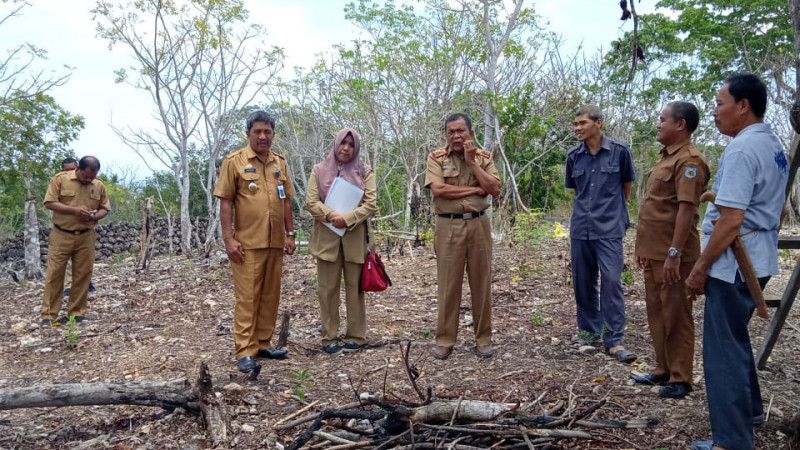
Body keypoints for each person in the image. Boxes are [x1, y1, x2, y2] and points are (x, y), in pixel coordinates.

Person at [686, 73, 787, 450]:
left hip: (733, 264)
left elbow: (730, 219)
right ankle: (752, 411)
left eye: (719, 103)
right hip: (758, 258)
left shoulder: (743, 150)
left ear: (743, 106)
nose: (714, 111)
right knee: (734, 338)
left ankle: (731, 440)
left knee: (722, 351)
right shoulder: (770, 143)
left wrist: (699, 269)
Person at [632, 102, 709, 399]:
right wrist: (642, 248)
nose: (657, 124)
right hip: (654, 252)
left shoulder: (690, 161)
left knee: (677, 314)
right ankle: (662, 369)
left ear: (681, 124)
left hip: (674, 255)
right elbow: (654, 208)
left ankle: (681, 377)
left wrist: (675, 252)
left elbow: (686, 209)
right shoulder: (664, 158)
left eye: (662, 119)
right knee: (656, 311)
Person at [213, 110, 297, 374]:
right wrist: (228, 239)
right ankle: (245, 351)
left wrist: (291, 233)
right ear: (248, 133)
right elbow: (226, 202)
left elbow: (285, 200)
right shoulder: (234, 161)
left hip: (275, 242)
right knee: (248, 297)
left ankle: (262, 344)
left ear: (273, 134)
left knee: (270, 296)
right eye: (257, 131)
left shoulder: (279, 163)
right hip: (247, 243)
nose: (263, 136)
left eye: (267, 132)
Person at [424, 113, 501, 360]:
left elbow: (495, 189)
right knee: (448, 285)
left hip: (479, 224)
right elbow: (439, 190)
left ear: (471, 132)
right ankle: (445, 340)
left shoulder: (483, 158)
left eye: (460, 131)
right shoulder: (436, 157)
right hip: (448, 226)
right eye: (451, 131)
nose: (456, 136)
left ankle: (483, 339)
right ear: (445, 134)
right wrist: (475, 190)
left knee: (482, 283)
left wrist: (473, 164)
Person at [565, 105, 637, 363]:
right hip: (581, 228)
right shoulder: (573, 156)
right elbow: (576, 190)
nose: (577, 128)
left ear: (599, 123)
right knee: (583, 283)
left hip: (609, 229)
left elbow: (625, 187)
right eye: (576, 124)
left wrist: (611, 213)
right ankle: (588, 334)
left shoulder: (620, 152)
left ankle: (614, 339)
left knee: (611, 282)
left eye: (582, 123)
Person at [305, 128, 378, 354]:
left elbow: (370, 203)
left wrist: (347, 218)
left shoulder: (365, 171)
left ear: (356, 147)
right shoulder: (318, 170)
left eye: (350, 144)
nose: (345, 148)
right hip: (326, 238)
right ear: (335, 144)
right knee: (327, 290)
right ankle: (329, 337)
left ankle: (356, 336)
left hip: (355, 237)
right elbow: (311, 201)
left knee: (355, 288)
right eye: (342, 143)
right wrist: (330, 215)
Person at [40, 156, 111, 326]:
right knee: (55, 274)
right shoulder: (60, 179)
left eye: (92, 177)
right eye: (86, 176)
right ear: (78, 168)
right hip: (61, 234)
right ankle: (49, 316)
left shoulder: (99, 185)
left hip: (86, 235)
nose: (88, 179)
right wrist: (74, 211)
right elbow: (49, 203)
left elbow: (105, 208)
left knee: (83, 274)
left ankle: (77, 314)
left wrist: (95, 215)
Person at [59, 157, 96, 297]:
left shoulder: (88, 183)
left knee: (85, 257)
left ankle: (86, 281)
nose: (69, 172)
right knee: (68, 257)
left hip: (85, 226)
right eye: (66, 170)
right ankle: (69, 285)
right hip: (65, 228)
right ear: (62, 170)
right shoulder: (58, 183)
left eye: (72, 169)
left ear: (78, 168)